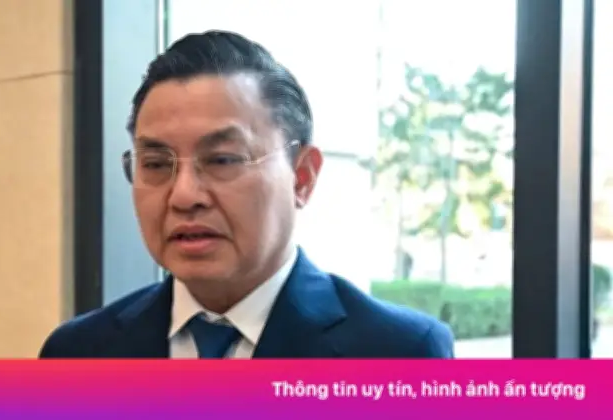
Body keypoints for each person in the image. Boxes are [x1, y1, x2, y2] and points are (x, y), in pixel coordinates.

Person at [39, 30, 454, 358]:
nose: (184, 196)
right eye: (157, 164)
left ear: (302, 177)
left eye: (222, 159)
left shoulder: (400, 352)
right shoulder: (78, 352)